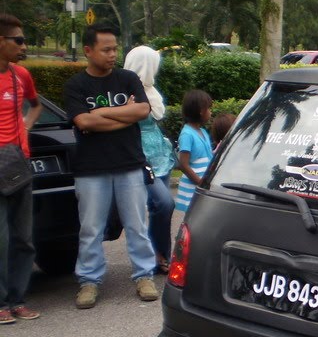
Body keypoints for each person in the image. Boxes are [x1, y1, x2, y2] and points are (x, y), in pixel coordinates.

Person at [64, 26, 159, 309]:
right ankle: (89, 282)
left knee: (137, 225)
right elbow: (83, 122)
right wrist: (123, 116)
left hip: (129, 163)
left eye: (115, 48)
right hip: (91, 169)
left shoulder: (127, 79)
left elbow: (142, 111)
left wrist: (101, 112)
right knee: (91, 228)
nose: (112, 54)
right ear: (88, 51)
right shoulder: (76, 85)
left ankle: (144, 276)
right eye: (106, 49)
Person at [0, 13, 42, 324]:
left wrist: (25, 128)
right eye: (18, 40)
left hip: (18, 163)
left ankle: (17, 299)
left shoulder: (21, 76)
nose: (23, 45)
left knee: (23, 237)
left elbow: (35, 103)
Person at [123, 45, 175, 275]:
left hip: (160, 155)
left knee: (160, 208)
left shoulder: (151, 89)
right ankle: (154, 254)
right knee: (164, 203)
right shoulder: (126, 90)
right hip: (140, 155)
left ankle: (160, 253)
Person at [175, 90, 214, 212]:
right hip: (193, 188)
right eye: (209, 109)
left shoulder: (202, 132)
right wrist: (200, 183)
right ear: (201, 111)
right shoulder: (187, 134)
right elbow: (183, 165)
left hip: (203, 185)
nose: (211, 112)